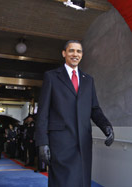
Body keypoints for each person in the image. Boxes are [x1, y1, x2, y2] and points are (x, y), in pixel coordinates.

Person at [35, 40, 114, 187]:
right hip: (60, 143)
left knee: (82, 182)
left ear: (82, 55)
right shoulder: (52, 77)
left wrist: (106, 126)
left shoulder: (88, 80)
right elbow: (43, 111)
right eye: (71, 51)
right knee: (62, 182)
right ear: (64, 53)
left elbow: (94, 109)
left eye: (78, 51)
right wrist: (42, 142)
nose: (75, 54)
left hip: (83, 143)